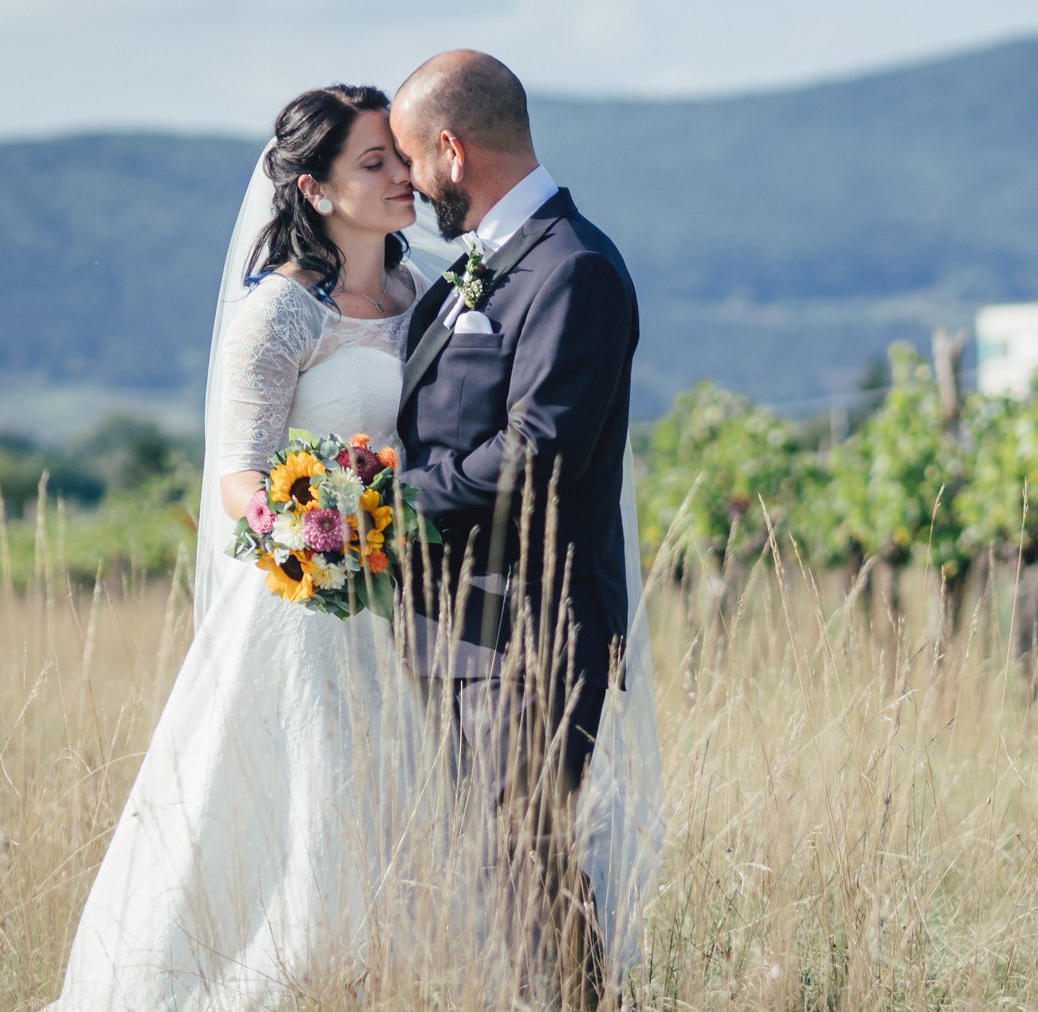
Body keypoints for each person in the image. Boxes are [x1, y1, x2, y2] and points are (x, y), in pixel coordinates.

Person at [47, 84, 445, 1009]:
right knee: (302, 814)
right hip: (308, 602)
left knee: (396, 815)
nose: (402, 177)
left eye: (401, 157)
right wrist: (327, 530)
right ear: (315, 189)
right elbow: (237, 478)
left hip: (401, 608)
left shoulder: (414, 290)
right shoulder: (281, 314)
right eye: (374, 163)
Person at [389, 50, 661, 1009]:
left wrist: (397, 504)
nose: (411, 187)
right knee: (505, 870)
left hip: (533, 632)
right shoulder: (475, 267)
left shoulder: (573, 267)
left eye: (413, 162)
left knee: (530, 864)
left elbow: (540, 451)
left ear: (452, 152)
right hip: (459, 630)